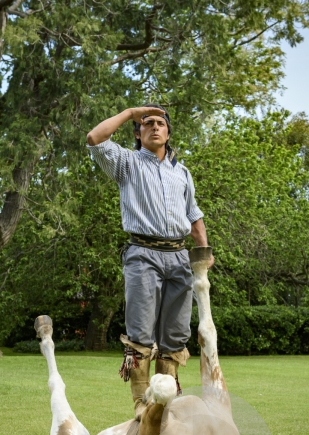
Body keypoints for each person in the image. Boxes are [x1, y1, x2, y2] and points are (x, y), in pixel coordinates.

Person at [86, 104, 214, 418]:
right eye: (148, 123)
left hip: (179, 257)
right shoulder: (127, 163)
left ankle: (165, 408)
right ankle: (143, 408)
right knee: (141, 336)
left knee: (175, 335)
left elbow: (194, 218)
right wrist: (131, 112)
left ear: (168, 133)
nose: (154, 127)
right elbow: (94, 138)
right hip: (142, 254)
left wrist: (203, 253)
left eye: (160, 123)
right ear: (139, 133)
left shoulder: (182, 172)